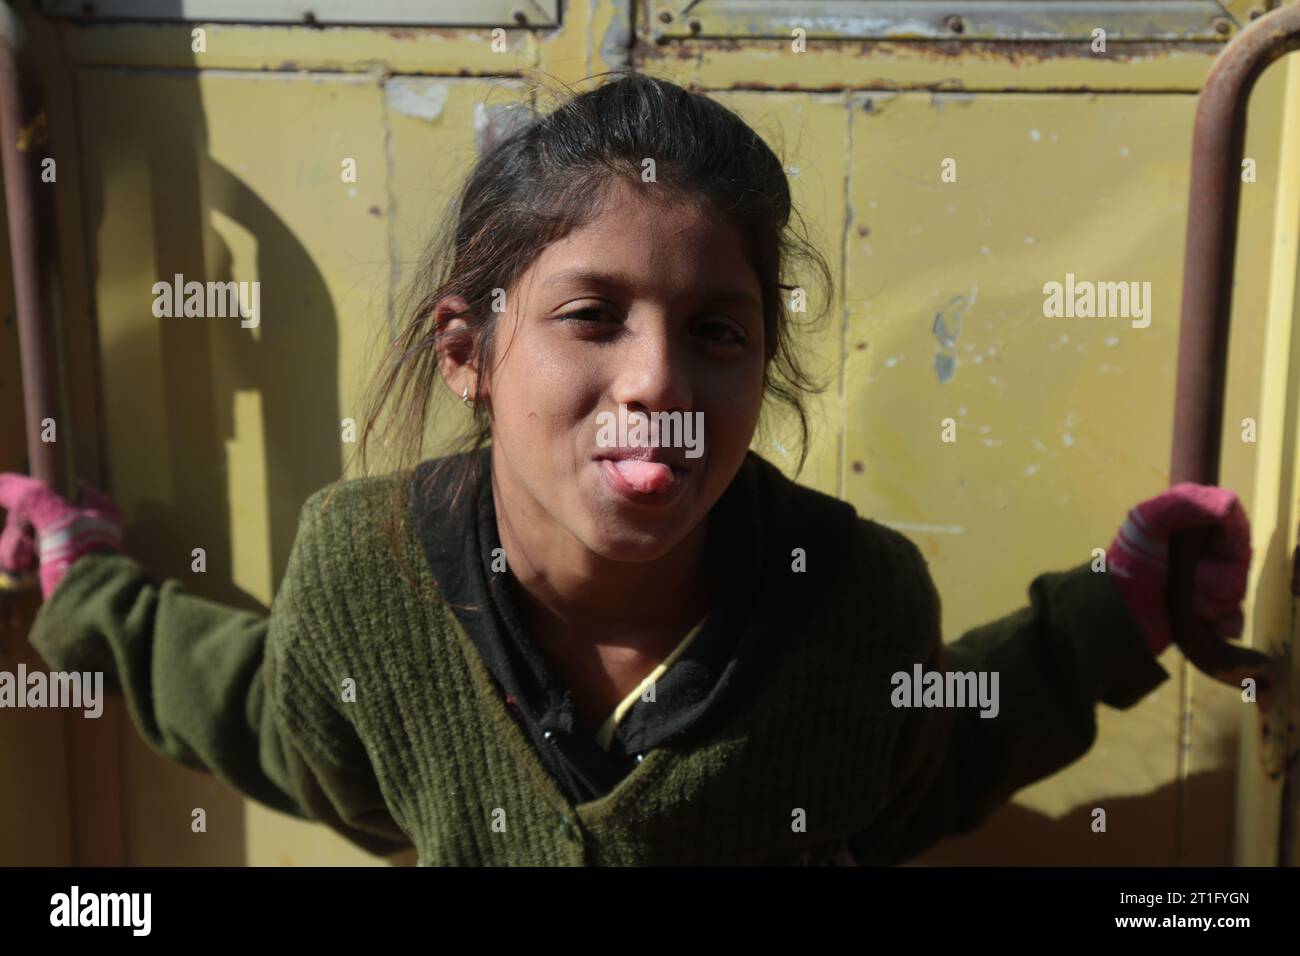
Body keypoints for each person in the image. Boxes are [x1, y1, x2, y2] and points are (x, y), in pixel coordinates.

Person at [0, 73, 1263, 866]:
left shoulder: (858, 599)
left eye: (716, 330)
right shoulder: (360, 570)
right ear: (468, 351)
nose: (659, 382)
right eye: (592, 315)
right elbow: (270, 720)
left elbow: (925, 764)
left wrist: (1121, 606)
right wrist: (83, 586)